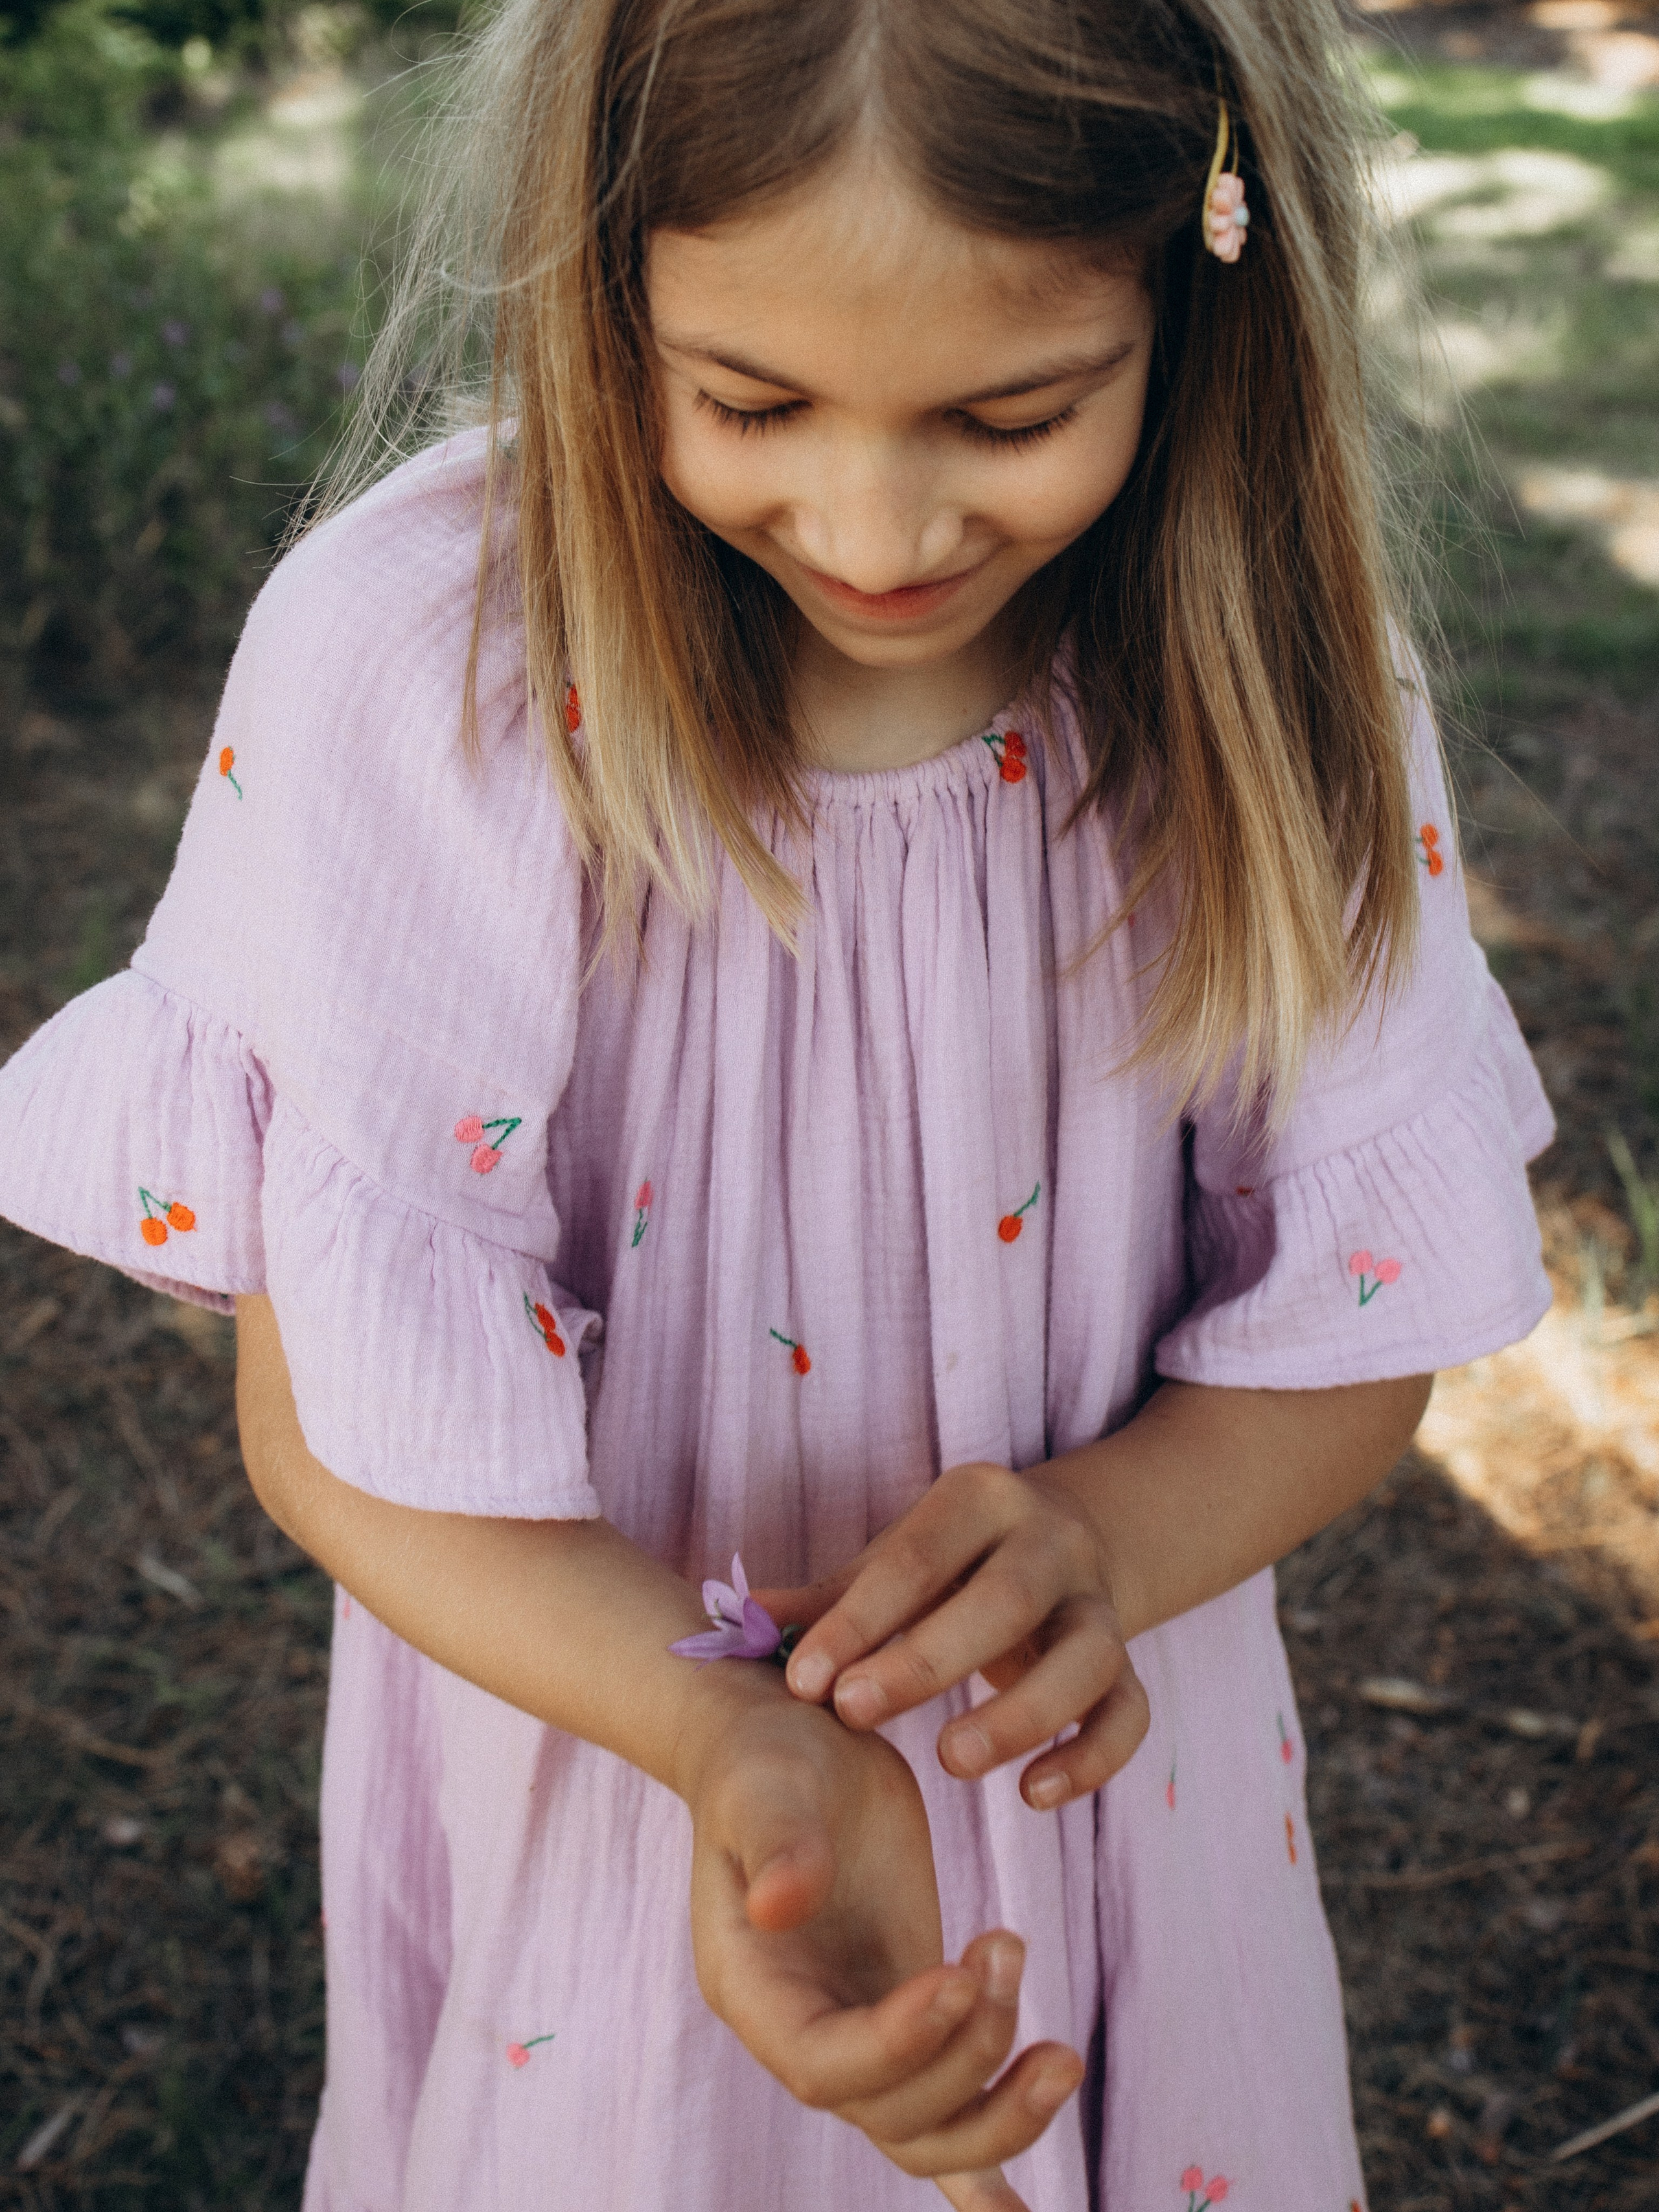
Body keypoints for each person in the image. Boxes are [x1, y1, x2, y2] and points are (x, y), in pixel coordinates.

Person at [0, 2, 1555, 2207]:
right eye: (750, 399)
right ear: (603, 269)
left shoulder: (1267, 685)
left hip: (1099, 1783)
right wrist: (724, 1735)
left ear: (1207, 276)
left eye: (1013, 411)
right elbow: (328, 1425)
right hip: (626, 1779)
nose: (877, 520)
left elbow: (1354, 1320)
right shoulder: (419, 678)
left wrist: (1114, 1539)